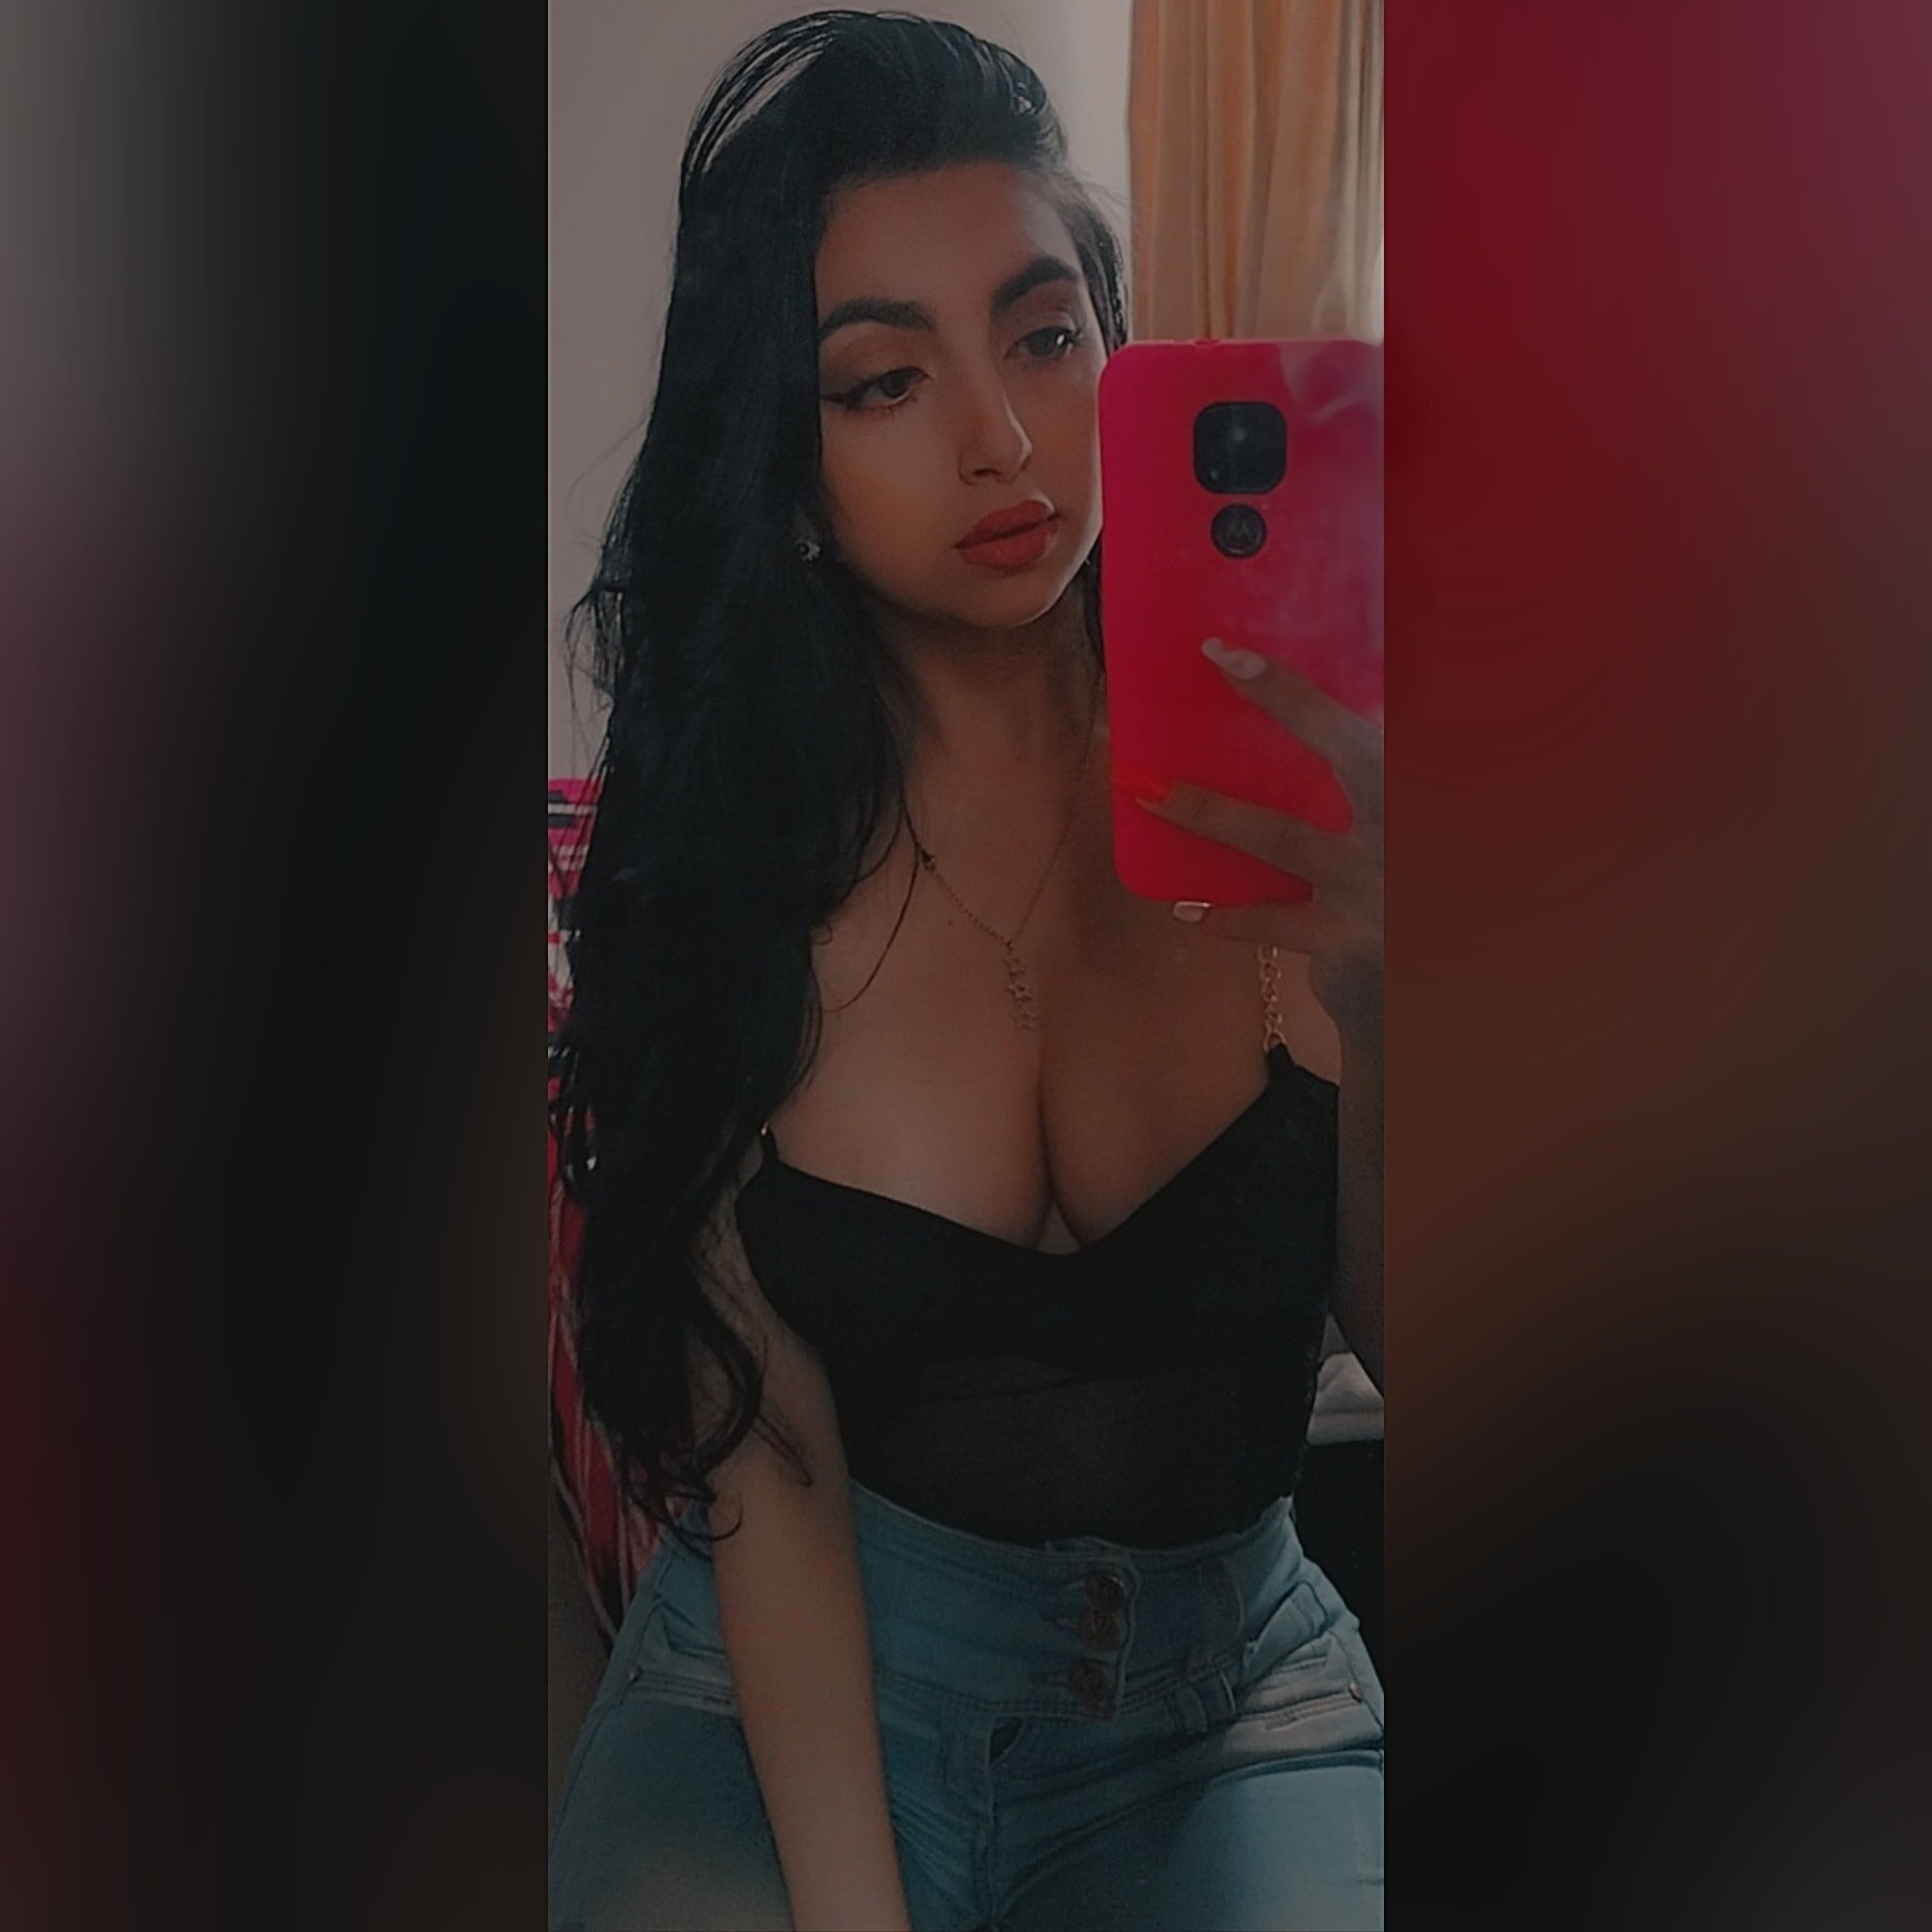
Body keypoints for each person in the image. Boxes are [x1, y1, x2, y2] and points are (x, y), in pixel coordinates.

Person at [547, 13, 1384, 1930]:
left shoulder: (1292, 779)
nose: (999, 439)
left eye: (1043, 337)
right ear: (786, 461)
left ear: (1118, 349)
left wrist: (1395, 991)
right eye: (883, 381)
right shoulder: (725, 848)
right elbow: (769, 1465)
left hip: (1234, 1702)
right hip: (802, 1682)